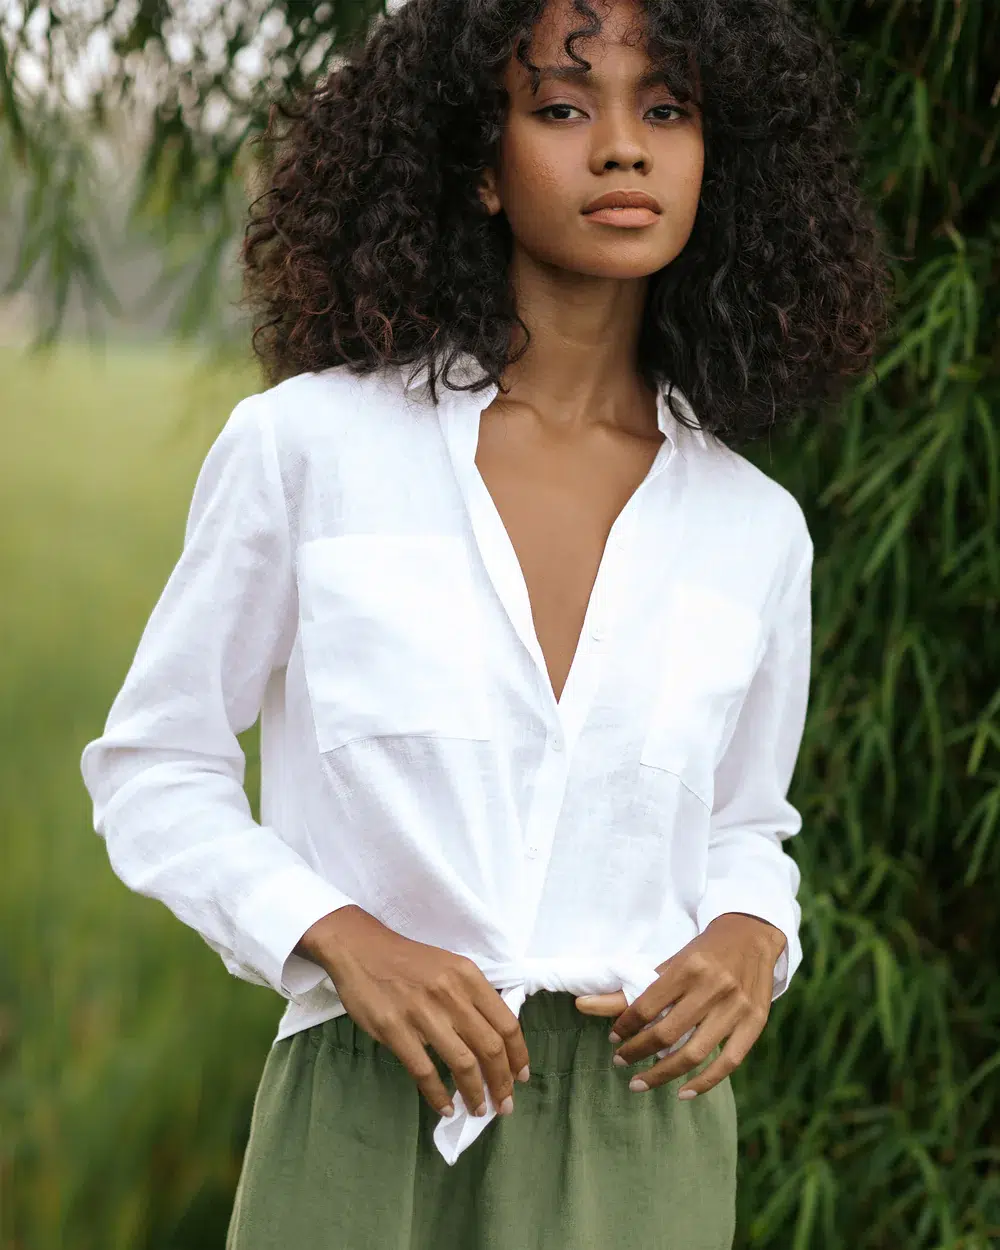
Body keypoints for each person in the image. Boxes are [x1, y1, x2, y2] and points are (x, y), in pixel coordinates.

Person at [79, 0, 887, 1245]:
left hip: (640, 1131)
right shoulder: (309, 448)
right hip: (367, 1107)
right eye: (561, 106)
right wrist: (338, 936)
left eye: (666, 108)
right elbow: (155, 765)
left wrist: (750, 931)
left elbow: (741, 824)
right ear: (478, 164)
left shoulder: (754, 528)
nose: (622, 146)